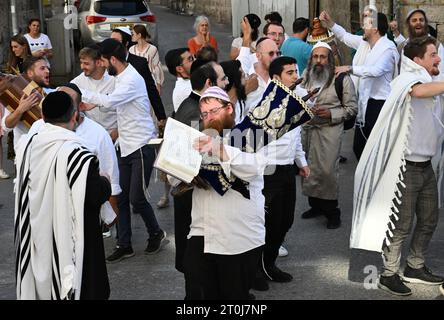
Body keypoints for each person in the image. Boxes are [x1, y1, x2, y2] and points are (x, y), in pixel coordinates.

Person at [351, 36, 444, 296]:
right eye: (433, 54)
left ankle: (415, 266)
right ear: (418, 61)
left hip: (426, 166)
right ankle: (388, 273)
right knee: (400, 224)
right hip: (404, 167)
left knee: (429, 219)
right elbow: (417, 92)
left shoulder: (433, 83)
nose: (438, 58)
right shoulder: (406, 80)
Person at [14, 91, 111, 299]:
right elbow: (95, 195)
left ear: (43, 117)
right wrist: (105, 181)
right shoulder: (78, 155)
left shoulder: (29, 146)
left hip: (37, 233)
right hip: (72, 235)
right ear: (74, 115)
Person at [79, 39, 166, 262]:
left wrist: (83, 96)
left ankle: (156, 232)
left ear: (113, 60)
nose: (101, 65)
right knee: (121, 195)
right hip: (125, 145)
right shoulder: (120, 76)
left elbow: (111, 101)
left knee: (137, 198)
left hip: (141, 145)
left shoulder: (131, 79)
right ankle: (124, 244)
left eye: (102, 61)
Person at [253, 56, 310, 291]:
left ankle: (269, 263)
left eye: (296, 71)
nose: (295, 76)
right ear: (276, 78)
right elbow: (251, 142)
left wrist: (302, 162)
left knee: (285, 220)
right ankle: (257, 269)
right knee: (263, 223)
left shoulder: (293, 100)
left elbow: (295, 136)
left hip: (288, 168)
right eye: (290, 72)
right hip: (268, 169)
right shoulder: (261, 102)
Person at [320, 10, 399, 160]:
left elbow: (377, 70)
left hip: (379, 105)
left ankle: (377, 180)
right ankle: (368, 179)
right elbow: (344, 36)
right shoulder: (365, 44)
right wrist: (330, 23)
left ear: (375, 28)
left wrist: (349, 68)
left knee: (375, 150)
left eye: (366, 24)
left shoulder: (388, 48)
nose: (363, 27)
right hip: (364, 102)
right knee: (359, 148)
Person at [299, 42, 357, 229]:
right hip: (308, 130)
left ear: (330, 59)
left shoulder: (342, 79)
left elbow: (352, 108)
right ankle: (315, 206)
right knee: (309, 170)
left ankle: (333, 213)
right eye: (315, 57)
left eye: (323, 57)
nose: (318, 60)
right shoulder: (306, 75)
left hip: (329, 131)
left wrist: (331, 114)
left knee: (327, 172)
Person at [110, 28, 167, 128]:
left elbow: (151, 89)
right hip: (112, 117)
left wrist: (161, 116)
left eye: (116, 41)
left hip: (135, 120)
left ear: (126, 43)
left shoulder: (139, 63)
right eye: (111, 41)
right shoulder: (107, 62)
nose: (112, 45)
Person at [1, 57, 50, 152]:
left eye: (48, 68)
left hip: (47, 152)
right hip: (26, 155)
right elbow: (6, 126)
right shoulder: (18, 96)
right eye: (42, 68)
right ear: (30, 73)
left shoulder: (52, 94)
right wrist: (20, 110)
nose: (47, 71)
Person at [71, 46, 117, 138]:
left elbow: (126, 110)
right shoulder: (79, 80)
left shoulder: (114, 80)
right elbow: (65, 91)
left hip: (115, 136)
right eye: (81, 63)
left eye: (86, 63)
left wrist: (117, 132)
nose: (82, 67)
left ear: (99, 63)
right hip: (90, 136)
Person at [130, 25, 164, 94]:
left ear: (139, 35)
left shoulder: (152, 49)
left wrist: (158, 85)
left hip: (150, 82)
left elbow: (157, 67)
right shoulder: (131, 49)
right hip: (135, 83)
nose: (132, 36)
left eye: (133, 34)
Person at [165, 48, 194, 113]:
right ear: (180, 69)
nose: (195, 61)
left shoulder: (189, 84)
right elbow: (193, 118)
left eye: (193, 57)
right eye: (190, 59)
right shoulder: (187, 89)